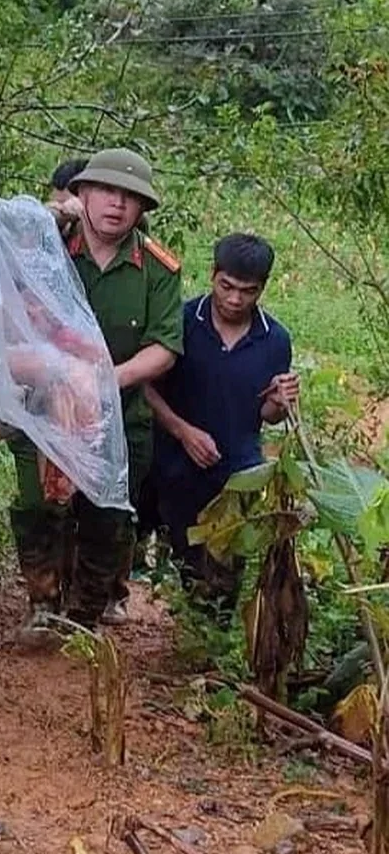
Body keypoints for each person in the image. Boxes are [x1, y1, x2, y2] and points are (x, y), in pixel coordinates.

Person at [10, 148, 183, 642]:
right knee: (36, 506)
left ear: (142, 209)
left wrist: (107, 379)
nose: (116, 204)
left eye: (130, 197)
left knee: (108, 516)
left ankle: (82, 617)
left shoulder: (157, 269)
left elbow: (164, 347)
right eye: (106, 190)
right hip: (44, 406)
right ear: (82, 194)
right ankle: (42, 605)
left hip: (118, 413)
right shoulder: (47, 247)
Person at [146, 233, 298, 610]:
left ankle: (211, 647)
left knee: (224, 575)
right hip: (176, 467)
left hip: (237, 473)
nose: (234, 299)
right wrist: (183, 431)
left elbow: (267, 414)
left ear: (262, 288)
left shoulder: (275, 340)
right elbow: (145, 388)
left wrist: (281, 402)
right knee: (186, 560)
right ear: (212, 275)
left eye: (247, 291)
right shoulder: (181, 321)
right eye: (226, 286)